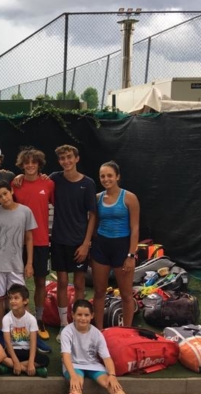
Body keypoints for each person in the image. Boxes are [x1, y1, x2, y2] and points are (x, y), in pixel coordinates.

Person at [61, 299, 154, 394]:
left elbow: (107, 357)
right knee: (77, 383)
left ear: (92, 316)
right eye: (79, 314)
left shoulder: (97, 334)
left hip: (93, 365)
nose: (83, 318)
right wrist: (73, 376)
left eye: (86, 315)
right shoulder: (67, 332)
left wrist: (112, 375)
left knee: (109, 382)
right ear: (73, 315)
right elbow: (66, 356)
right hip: (74, 365)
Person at [50, 145, 96, 336]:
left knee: (79, 284)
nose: (66, 161)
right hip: (59, 240)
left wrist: (86, 244)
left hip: (78, 242)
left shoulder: (88, 183)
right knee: (61, 282)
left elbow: (93, 215)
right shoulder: (54, 179)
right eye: (62, 158)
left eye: (69, 157)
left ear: (77, 158)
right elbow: (37, 182)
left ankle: (78, 323)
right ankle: (64, 324)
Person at [91, 161, 140, 329]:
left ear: (117, 176)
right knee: (99, 292)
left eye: (110, 175)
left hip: (122, 248)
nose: (106, 179)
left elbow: (135, 228)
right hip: (101, 247)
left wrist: (131, 255)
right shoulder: (97, 198)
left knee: (126, 294)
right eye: (102, 176)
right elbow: (94, 224)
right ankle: (98, 331)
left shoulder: (129, 198)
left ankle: (126, 331)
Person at [12, 148, 54, 338]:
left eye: (33, 162)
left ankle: (39, 319)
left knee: (40, 281)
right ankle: (16, 319)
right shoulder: (15, 183)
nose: (30, 165)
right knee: (16, 282)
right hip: (17, 242)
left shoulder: (48, 183)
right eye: (26, 162)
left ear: (39, 164)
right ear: (22, 165)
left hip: (41, 240)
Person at [0, 181, 36, 326]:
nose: (4, 198)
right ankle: (2, 330)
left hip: (16, 263)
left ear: (12, 191)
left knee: (20, 298)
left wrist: (29, 263)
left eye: (5, 193)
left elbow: (29, 238)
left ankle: (25, 329)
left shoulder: (25, 211)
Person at [0, 284, 48, 376]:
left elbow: (33, 342)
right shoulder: (6, 318)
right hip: (12, 350)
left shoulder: (31, 319)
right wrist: (16, 362)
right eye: (10, 298)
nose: (12, 301)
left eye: (16, 298)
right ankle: (26, 369)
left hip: (27, 350)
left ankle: (10, 367)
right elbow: (8, 343)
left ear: (25, 301)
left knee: (44, 359)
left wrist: (31, 362)